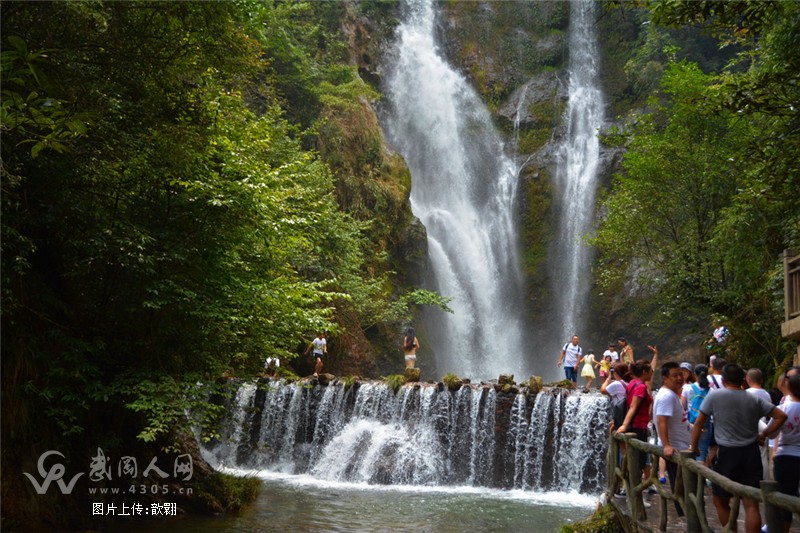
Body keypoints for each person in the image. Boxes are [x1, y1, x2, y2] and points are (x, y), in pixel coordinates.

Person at [690, 363, 788, 533]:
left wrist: (695, 446)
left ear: (724, 379)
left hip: (727, 454)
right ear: (743, 380)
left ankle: (731, 531)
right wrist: (763, 434)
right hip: (751, 453)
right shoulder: (753, 399)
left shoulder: (715, 396)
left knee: (720, 500)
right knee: (751, 503)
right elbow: (781, 416)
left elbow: (699, 423)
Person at [653, 361, 691, 516]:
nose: (679, 378)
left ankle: (688, 518)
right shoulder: (667, 396)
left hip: (680, 448)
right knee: (684, 488)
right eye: (675, 375)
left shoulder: (670, 394)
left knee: (684, 488)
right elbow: (662, 420)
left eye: (681, 374)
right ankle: (689, 520)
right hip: (676, 450)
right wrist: (667, 445)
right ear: (665, 379)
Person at [616, 359, 654, 484]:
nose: (652, 373)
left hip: (636, 426)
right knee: (638, 462)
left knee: (634, 460)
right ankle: (633, 493)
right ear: (644, 372)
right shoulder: (641, 387)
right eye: (650, 371)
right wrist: (624, 425)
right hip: (638, 427)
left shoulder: (632, 383)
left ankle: (628, 489)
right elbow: (633, 406)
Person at [770, 371, 800, 533]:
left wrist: (762, 433)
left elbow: (773, 433)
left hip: (786, 456)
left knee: (784, 499)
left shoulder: (783, 409)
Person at [684, 364, 714, 466]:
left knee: (688, 452)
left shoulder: (687, 388)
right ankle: (702, 480)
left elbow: (682, 406)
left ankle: (691, 480)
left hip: (690, 424)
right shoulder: (711, 391)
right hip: (705, 424)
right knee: (702, 454)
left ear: (694, 374)